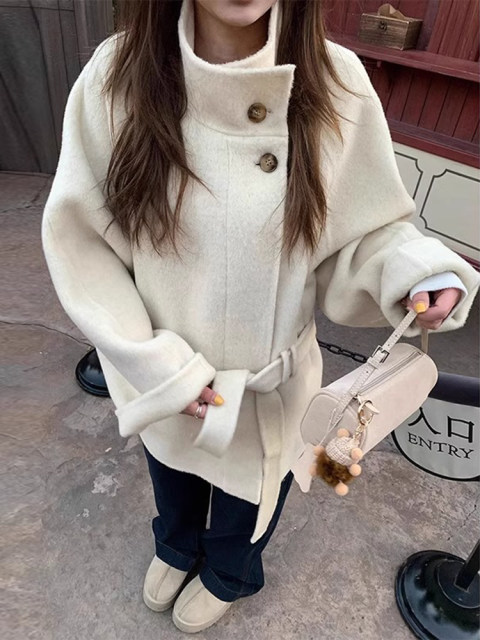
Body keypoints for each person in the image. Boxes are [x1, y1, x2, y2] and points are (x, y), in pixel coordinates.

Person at [42, 0, 479, 633]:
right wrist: (156, 365)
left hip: (270, 387)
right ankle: (176, 546)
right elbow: (84, 245)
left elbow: (364, 230)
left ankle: (230, 574)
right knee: (171, 476)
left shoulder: (337, 81)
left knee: (249, 502)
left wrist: (415, 271)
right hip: (165, 374)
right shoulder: (118, 77)